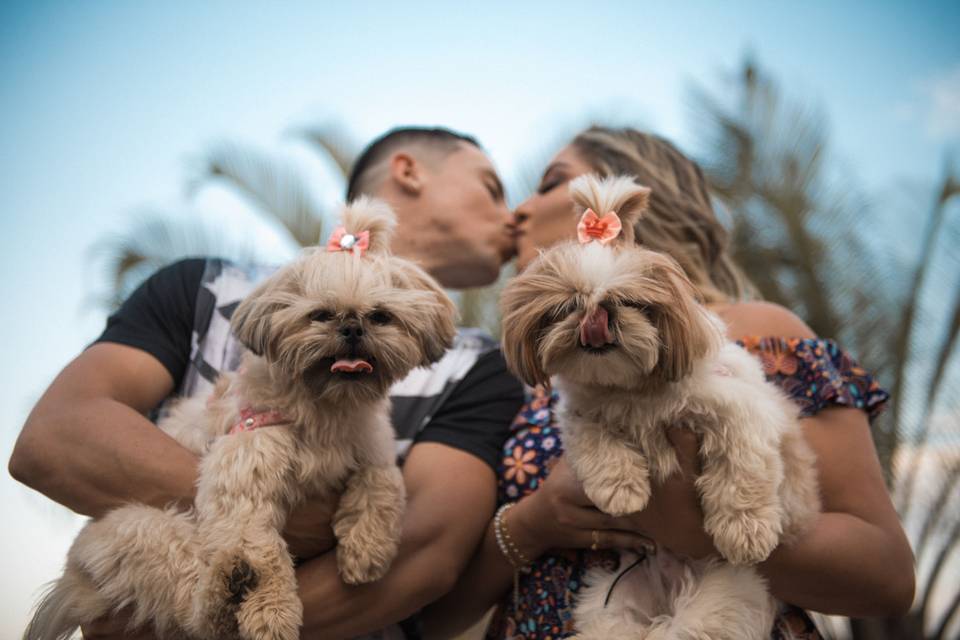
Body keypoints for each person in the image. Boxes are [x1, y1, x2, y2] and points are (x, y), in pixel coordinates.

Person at [9, 127, 524, 640]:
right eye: (492, 188)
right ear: (409, 171)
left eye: (382, 318)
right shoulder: (200, 287)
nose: (515, 215)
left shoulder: (483, 368)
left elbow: (425, 556)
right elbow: (50, 442)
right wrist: (254, 507)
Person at [422, 126, 915, 639]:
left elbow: (887, 577)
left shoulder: (764, 333)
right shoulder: (509, 384)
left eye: (551, 182)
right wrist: (530, 523)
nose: (519, 210)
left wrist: (690, 528)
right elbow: (433, 617)